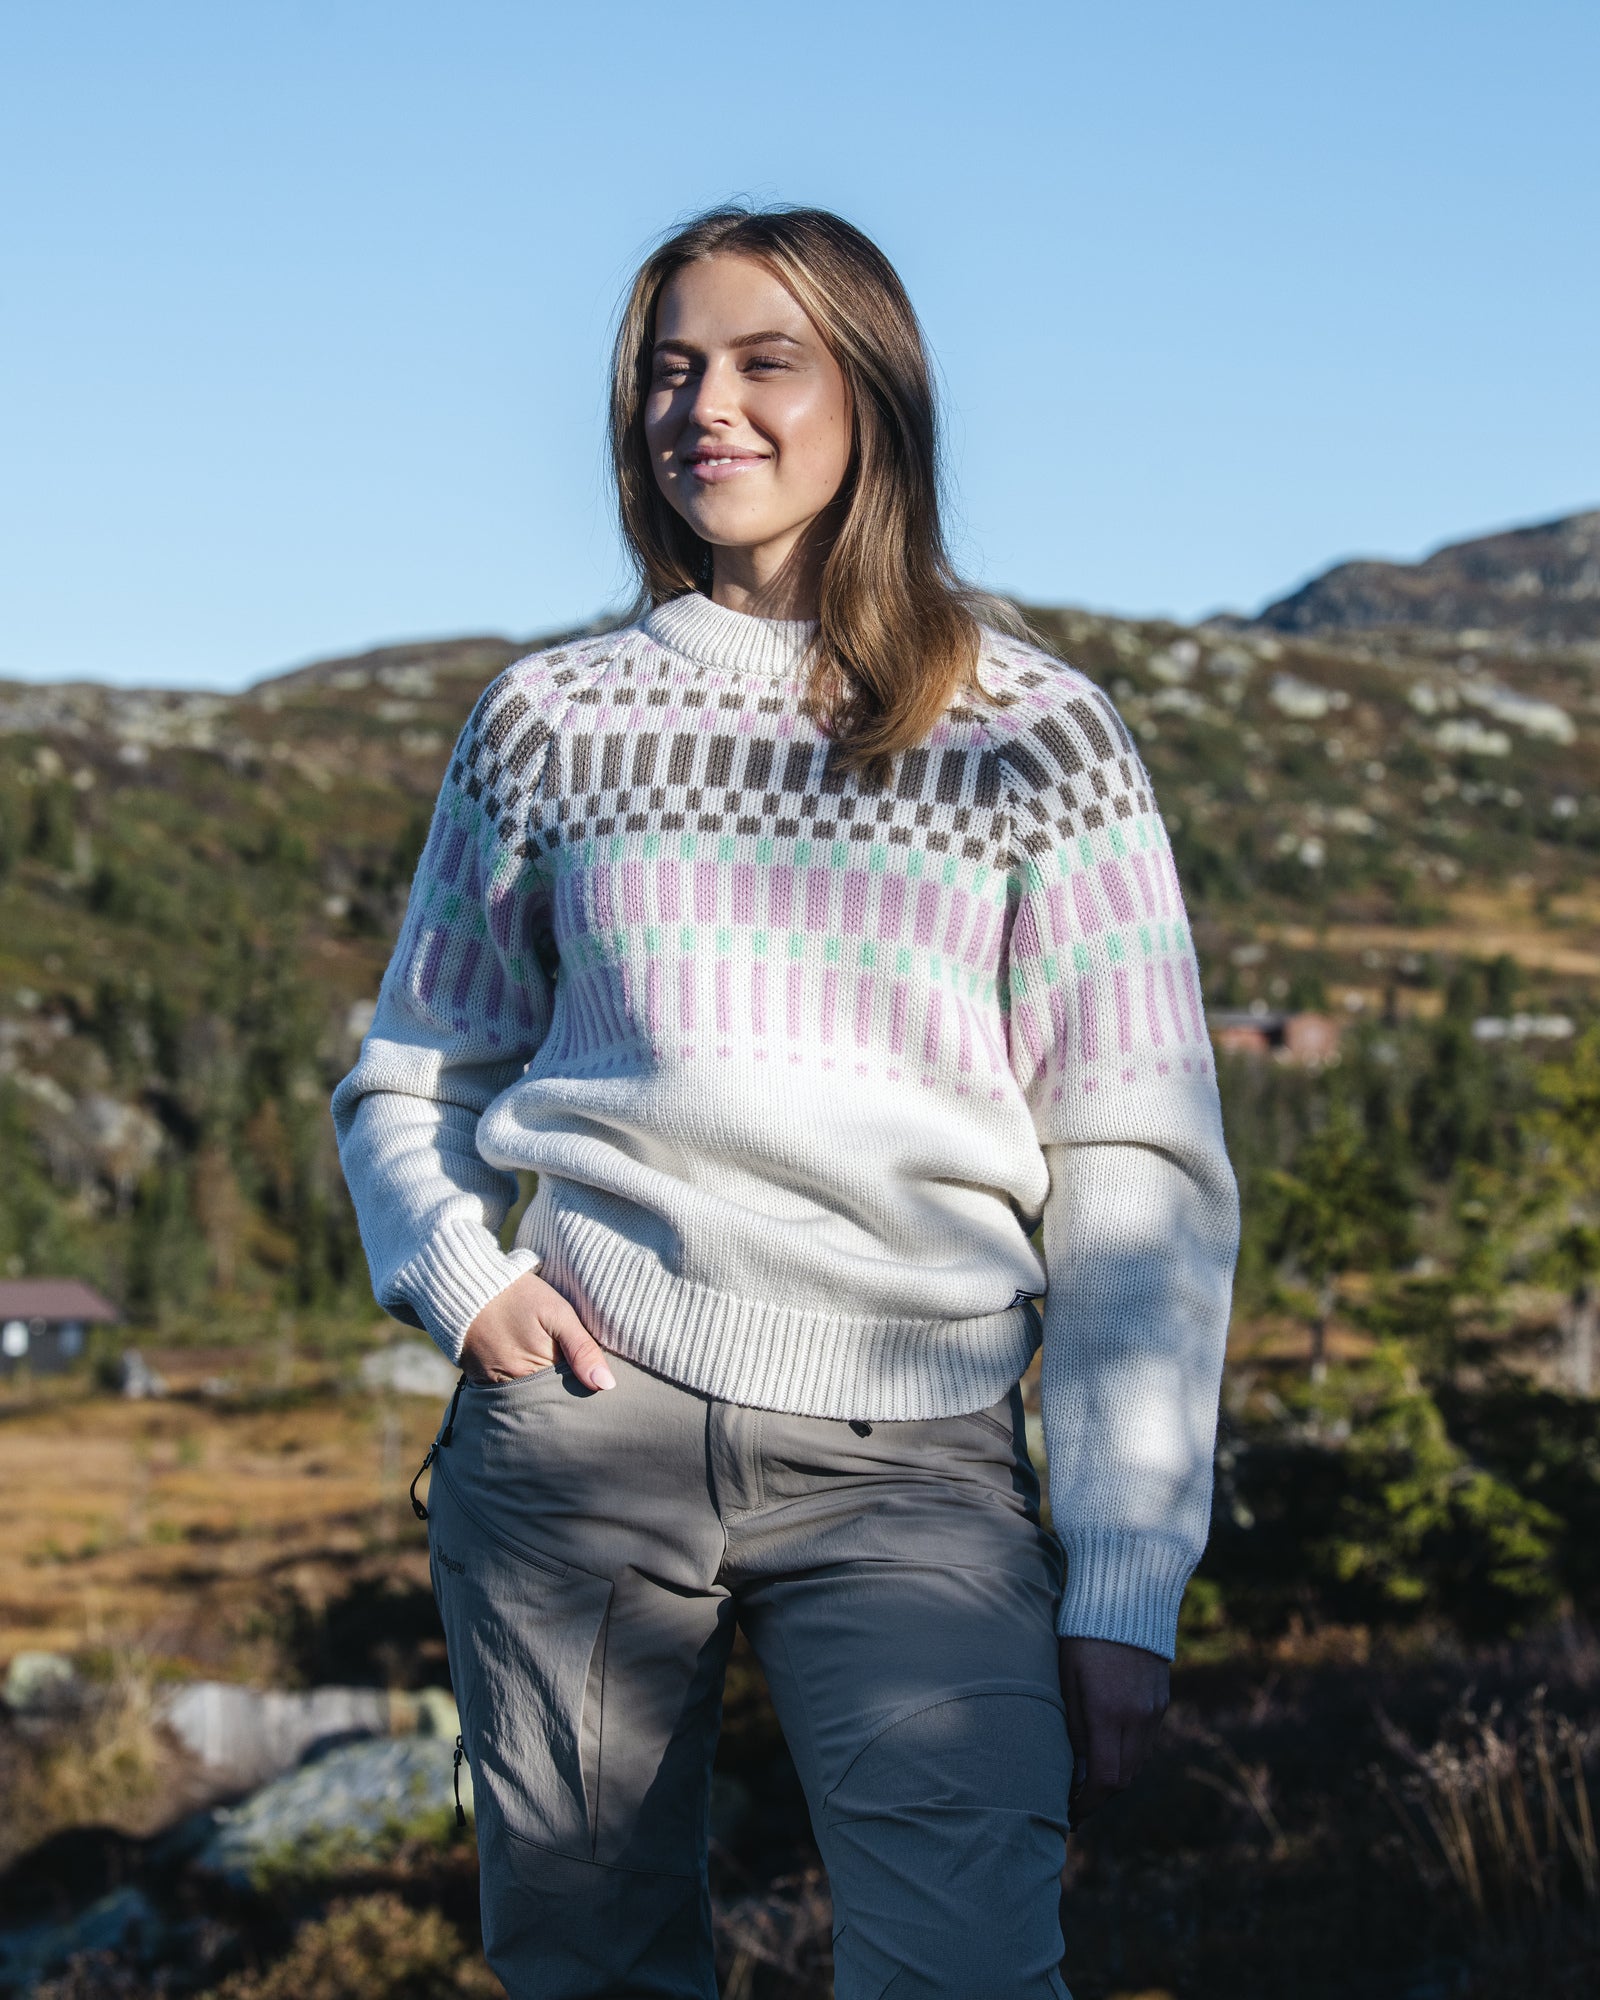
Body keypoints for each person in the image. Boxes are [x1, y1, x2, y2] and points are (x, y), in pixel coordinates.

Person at [332, 203, 1239, 2000]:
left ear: (873, 396)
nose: (706, 409)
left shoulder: (1035, 735)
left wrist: (1127, 1567)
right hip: (581, 1428)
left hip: (918, 1460)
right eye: (671, 370)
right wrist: (464, 1281)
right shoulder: (547, 722)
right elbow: (415, 1071)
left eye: (766, 362)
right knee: (590, 1970)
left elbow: (1135, 1168)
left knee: (965, 1970)